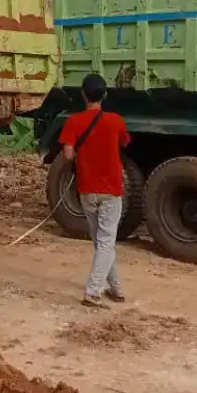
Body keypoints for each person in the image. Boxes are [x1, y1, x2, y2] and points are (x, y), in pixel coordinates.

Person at [59, 73, 130, 308]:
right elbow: (125, 142)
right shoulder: (115, 120)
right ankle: (92, 291)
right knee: (106, 241)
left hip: (87, 190)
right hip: (111, 190)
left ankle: (116, 289)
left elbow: (68, 154)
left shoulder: (73, 121)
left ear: (82, 94)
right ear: (105, 95)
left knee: (101, 242)